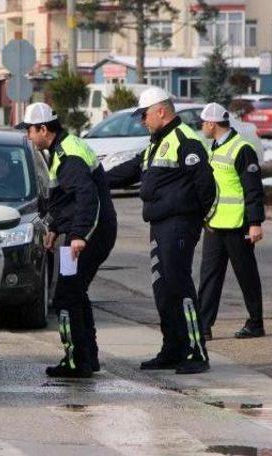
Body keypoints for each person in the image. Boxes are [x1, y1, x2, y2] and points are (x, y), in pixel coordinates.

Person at [105, 88, 216, 375]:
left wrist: (195, 219)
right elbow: (131, 170)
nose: (142, 121)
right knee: (163, 289)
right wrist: (96, 180)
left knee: (180, 286)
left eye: (144, 115)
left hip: (179, 224)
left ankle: (196, 350)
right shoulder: (157, 143)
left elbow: (206, 186)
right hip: (159, 224)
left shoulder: (185, 141)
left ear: (161, 111)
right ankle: (172, 348)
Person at [17, 102, 117, 378]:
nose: (28, 137)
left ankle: (76, 361)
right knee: (75, 294)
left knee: (65, 297)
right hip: (84, 232)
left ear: (43, 129)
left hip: (91, 234)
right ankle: (88, 358)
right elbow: (65, 200)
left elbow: (87, 197)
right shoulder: (61, 150)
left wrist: (77, 236)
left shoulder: (69, 154)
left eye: (30, 131)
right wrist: (54, 227)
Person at [197, 103, 265, 340]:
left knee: (246, 275)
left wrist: (255, 222)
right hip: (215, 224)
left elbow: (253, 189)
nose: (202, 127)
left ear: (212, 124)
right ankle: (203, 326)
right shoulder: (214, 147)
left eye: (203, 123)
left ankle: (256, 323)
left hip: (238, 225)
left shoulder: (242, 149)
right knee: (209, 276)